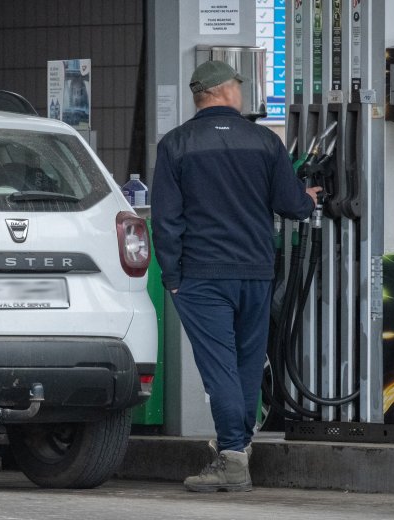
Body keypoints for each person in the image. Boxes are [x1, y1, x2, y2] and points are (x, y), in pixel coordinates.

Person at [151, 60, 321, 492]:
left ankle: (231, 457)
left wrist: (172, 276)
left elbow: (166, 221)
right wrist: (307, 199)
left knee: (220, 369)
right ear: (224, 90)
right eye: (238, 87)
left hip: (203, 275)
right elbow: (289, 203)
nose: (242, 93)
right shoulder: (265, 141)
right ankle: (238, 450)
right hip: (256, 272)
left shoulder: (175, 144)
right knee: (246, 365)